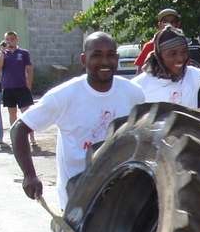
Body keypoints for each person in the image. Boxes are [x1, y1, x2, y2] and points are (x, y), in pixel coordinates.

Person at [11, 32, 146, 210]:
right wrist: (29, 175)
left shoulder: (133, 93)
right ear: (83, 59)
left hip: (120, 199)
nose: (105, 61)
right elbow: (19, 129)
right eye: (96, 55)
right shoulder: (65, 95)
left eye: (110, 55)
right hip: (76, 200)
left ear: (117, 58)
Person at [0, 30, 38, 150]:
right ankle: (15, 138)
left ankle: (32, 139)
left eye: (12, 39)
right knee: (12, 114)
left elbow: (29, 69)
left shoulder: (23, 53)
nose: (9, 41)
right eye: (7, 39)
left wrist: (29, 85)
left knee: (27, 114)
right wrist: (3, 53)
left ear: (16, 39)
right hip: (8, 88)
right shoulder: (2, 53)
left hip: (22, 88)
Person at [133, 8, 182, 72]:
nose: (169, 25)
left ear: (178, 24)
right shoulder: (150, 46)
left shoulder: (183, 46)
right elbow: (139, 72)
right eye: (165, 22)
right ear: (159, 25)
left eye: (172, 22)